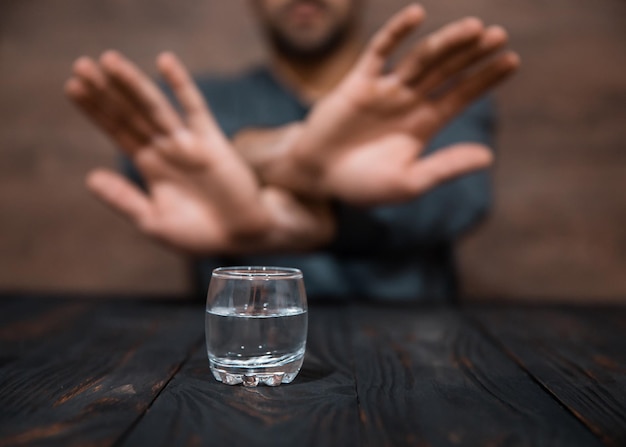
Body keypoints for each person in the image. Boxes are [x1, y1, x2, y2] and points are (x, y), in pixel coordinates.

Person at [64, 1, 519, 302]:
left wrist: (273, 193)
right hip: (235, 377)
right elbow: (151, 176)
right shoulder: (201, 103)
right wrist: (297, 162)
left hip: (420, 364)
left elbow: (460, 199)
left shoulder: (430, 98)